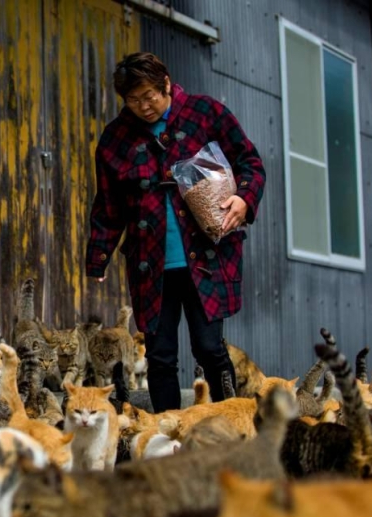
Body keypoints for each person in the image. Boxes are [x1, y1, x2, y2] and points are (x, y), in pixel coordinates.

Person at [85, 52, 265, 413]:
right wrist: (99, 256)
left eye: (149, 95)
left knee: (210, 348)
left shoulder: (205, 113)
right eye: (134, 100)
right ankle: (167, 434)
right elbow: (108, 204)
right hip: (150, 265)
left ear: (166, 83)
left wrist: (244, 199)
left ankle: (230, 422)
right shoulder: (115, 139)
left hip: (207, 256)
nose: (143, 106)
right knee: (160, 355)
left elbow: (250, 162)